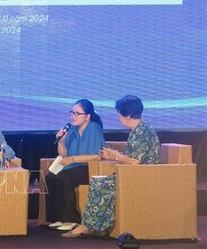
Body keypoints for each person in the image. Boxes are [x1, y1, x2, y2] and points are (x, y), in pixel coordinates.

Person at [62, 95, 161, 238]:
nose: (118, 117)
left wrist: (115, 156)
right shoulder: (138, 130)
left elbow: (135, 162)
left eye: (119, 113)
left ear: (127, 115)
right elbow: (133, 157)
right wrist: (114, 154)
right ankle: (98, 225)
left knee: (99, 184)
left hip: (142, 176)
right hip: (132, 174)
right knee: (100, 181)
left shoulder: (142, 131)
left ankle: (88, 226)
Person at [46, 99, 105, 231]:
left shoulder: (94, 129)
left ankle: (72, 219)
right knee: (51, 177)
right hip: (72, 166)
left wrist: (73, 159)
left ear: (87, 116)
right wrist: (61, 142)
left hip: (88, 167)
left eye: (77, 113)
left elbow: (97, 156)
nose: (73, 116)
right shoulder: (72, 130)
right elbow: (64, 154)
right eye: (72, 112)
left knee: (65, 177)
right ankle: (58, 217)